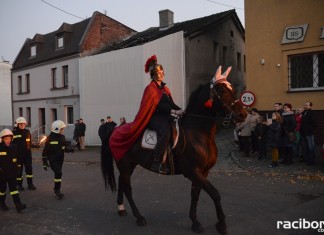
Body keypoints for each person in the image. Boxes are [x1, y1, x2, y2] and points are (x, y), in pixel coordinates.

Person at [109, 55, 183, 174]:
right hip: (153, 117)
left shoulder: (165, 89)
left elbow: (171, 104)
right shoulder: (150, 89)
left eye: (161, 71)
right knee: (165, 133)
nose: (161, 73)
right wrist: (173, 111)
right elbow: (157, 106)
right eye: (158, 72)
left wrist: (182, 110)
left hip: (165, 116)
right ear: (153, 75)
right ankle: (156, 161)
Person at [0, 129, 27, 212]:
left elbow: (18, 158)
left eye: (9, 138)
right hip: (1, 174)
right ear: (2, 139)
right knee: (2, 190)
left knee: (14, 189)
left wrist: (18, 167)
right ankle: (2, 204)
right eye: (6, 139)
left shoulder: (14, 147)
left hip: (12, 173)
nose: (8, 140)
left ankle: (18, 205)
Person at [42, 120, 67, 199]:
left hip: (60, 159)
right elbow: (45, 151)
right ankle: (57, 191)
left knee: (58, 175)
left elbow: (64, 147)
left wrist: (69, 149)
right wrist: (44, 162)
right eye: (61, 129)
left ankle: (57, 190)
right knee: (58, 173)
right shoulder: (50, 138)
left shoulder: (62, 137)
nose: (62, 130)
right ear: (57, 129)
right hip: (53, 160)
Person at [12, 117, 36, 190]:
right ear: (17, 124)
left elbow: (29, 143)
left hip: (27, 155)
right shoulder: (13, 133)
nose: (22, 125)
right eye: (21, 124)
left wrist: (35, 145)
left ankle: (30, 184)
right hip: (18, 155)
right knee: (19, 171)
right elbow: (11, 145)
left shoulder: (27, 132)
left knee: (29, 170)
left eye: (24, 124)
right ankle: (19, 185)